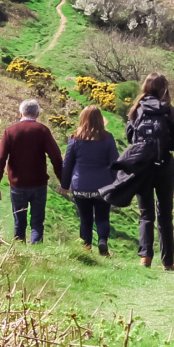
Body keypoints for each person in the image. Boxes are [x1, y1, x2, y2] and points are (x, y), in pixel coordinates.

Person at [127, 73, 174, 270]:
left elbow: (130, 138)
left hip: (142, 166)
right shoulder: (169, 111)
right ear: (164, 89)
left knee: (146, 214)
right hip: (164, 167)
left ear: (145, 87)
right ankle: (168, 262)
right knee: (165, 214)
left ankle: (145, 257)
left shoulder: (136, 109)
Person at [0, 98, 65, 243]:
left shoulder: (10, 132)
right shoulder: (43, 131)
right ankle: (36, 250)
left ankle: (19, 251)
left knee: (19, 222)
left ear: (20, 113)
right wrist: (63, 179)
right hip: (39, 184)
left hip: (17, 185)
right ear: (37, 114)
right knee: (37, 223)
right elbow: (56, 156)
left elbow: (0, 158)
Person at [61, 106, 118, 256]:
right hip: (103, 186)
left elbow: (67, 164)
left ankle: (86, 250)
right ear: (100, 120)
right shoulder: (108, 138)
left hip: (81, 186)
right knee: (102, 217)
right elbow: (114, 163)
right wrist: (117, 184)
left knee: (85, 219)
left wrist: (64, 185)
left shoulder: (75, 138)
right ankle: (102, 241)